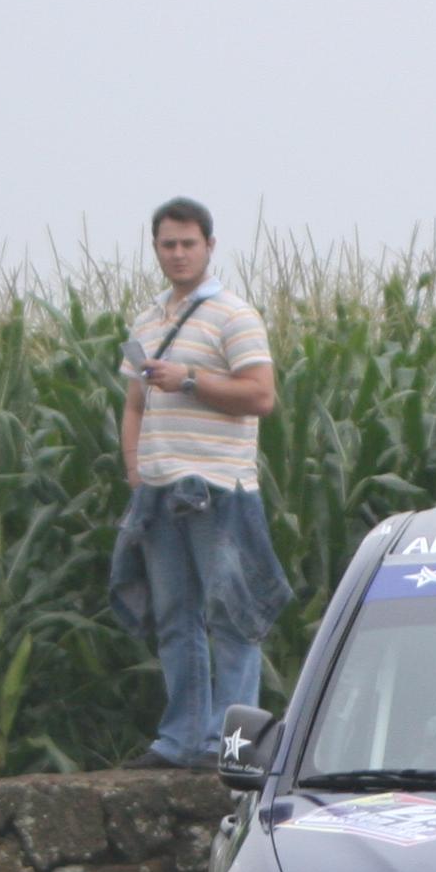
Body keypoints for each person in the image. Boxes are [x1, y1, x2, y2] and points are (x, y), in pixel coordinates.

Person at [108, 196, 289, 767]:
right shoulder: (147, 319)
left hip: (218, 488)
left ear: (210, 247)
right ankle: (182, 739)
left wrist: (189, 380)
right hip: (159, 491)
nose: (178, 253)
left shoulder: (234, 315)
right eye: (168, 244)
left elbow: (261, 396)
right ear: (155, 249)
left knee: (231, 617)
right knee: (175, 620)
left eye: (189, 243)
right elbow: (135, 401)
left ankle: (230, 745)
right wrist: (135, 468)